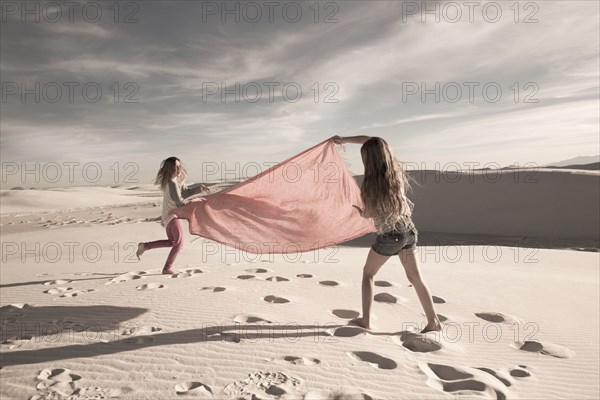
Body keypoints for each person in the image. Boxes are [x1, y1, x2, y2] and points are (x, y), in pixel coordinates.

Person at [331, 135, 442, 333]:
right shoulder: (396, 172)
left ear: (367, 160)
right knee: (415, 277)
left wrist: (358, 210)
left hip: (390, 236)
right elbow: (375, 140)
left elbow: (369, 214)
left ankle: (365, 320)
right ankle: (433, 321)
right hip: (409, 230)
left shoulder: (370, 184)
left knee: (368, 274)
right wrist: (345, 139)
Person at [136, 157, 210, 274]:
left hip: (168, 217)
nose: (179, 168)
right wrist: (196, 201)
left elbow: (184, 192)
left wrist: (200, 189)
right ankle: (167, 268)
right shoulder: (172, 183)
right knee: (179, 244)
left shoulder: (173, 182)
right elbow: (180, 203)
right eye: (176, 166)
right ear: (170, 169)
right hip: (173, 217)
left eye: (179, 166)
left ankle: (145, 246)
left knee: (172, 242)